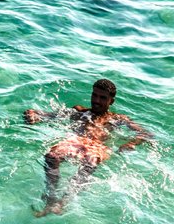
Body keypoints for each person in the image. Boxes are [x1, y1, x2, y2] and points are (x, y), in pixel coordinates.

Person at [24, 78, 151, 216]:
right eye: (94, 95)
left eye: (102, 98)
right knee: (51, 156)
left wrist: (131, 143)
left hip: (97, 146)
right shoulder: (79, 111)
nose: (96, 100)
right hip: (76, 141)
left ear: (111, 101)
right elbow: (50, 115)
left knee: (91, 161)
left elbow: (145, 134)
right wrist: (34, 115)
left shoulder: (118, 119)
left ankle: (63, 202)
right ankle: (51, 198)